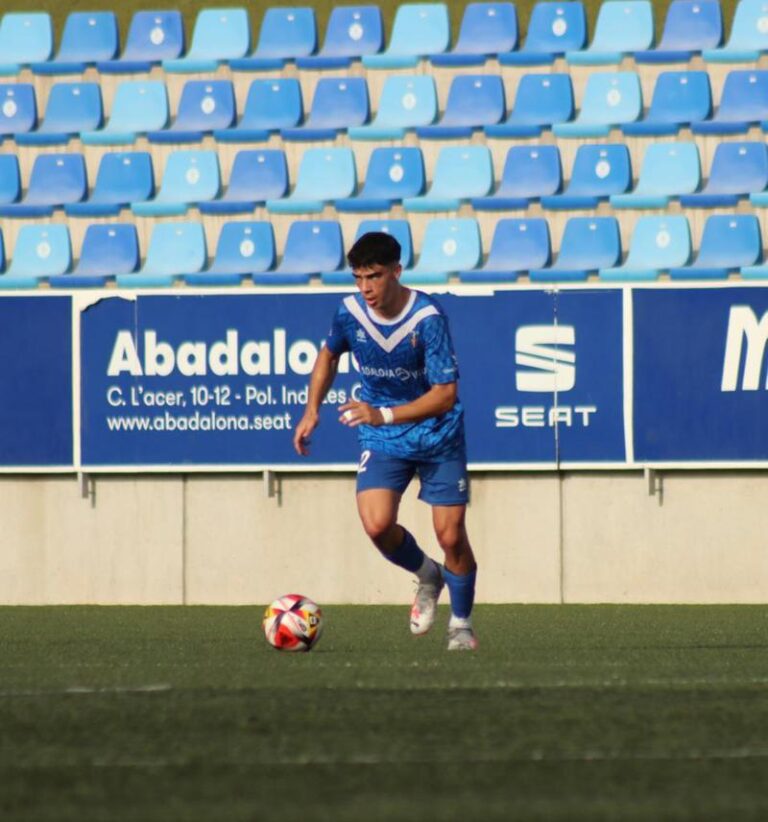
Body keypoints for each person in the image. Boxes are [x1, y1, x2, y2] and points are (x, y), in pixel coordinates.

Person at [292, 231, 478, 651]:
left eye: (374, 276)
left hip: (437, 434)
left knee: (451, 536)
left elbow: (445, 394)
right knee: (376, 525)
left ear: (397, 270)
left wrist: (385, 413)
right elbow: (329, 353)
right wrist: (311, 409)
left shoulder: (428, 318)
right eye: (358, 278)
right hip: (383, 435)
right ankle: (428, 574)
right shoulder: (349, 312)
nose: (365, 288)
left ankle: (461, 626)